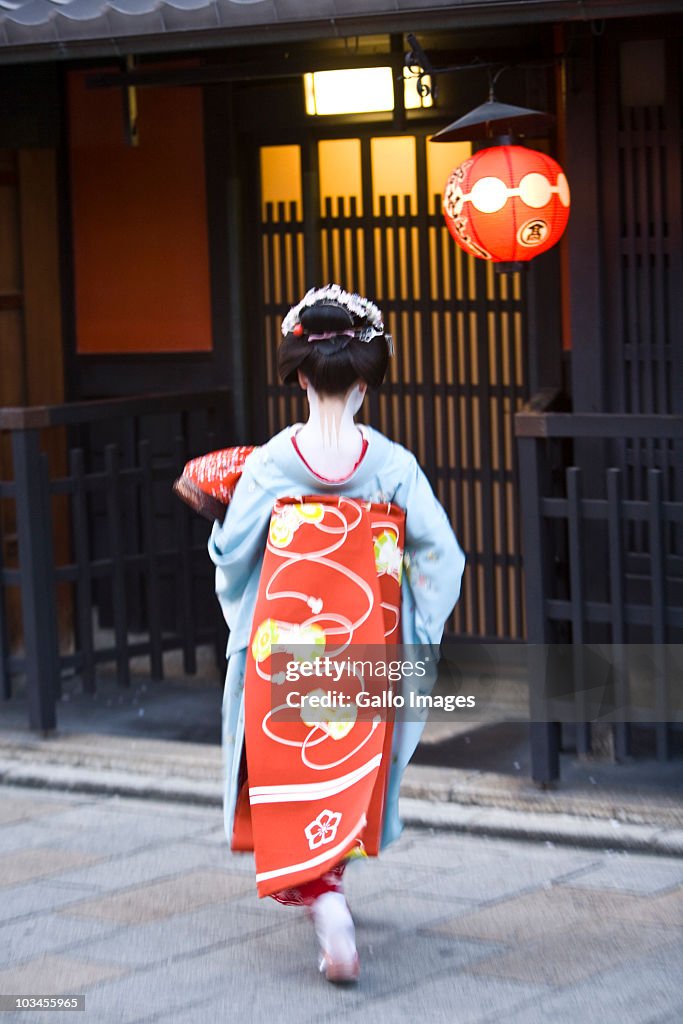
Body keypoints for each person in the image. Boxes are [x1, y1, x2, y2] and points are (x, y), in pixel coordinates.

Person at [208, 284, 465, 983]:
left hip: (286, 650)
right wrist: (418, 631)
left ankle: (325, 901)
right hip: (365, 644)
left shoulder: (266, 464)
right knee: (349, 767)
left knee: (295, 766)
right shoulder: (390, 465)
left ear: (297, 375)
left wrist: (217, 508)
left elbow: (234, 557)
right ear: (363, 382)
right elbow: (441, 557)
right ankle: (330, 889)